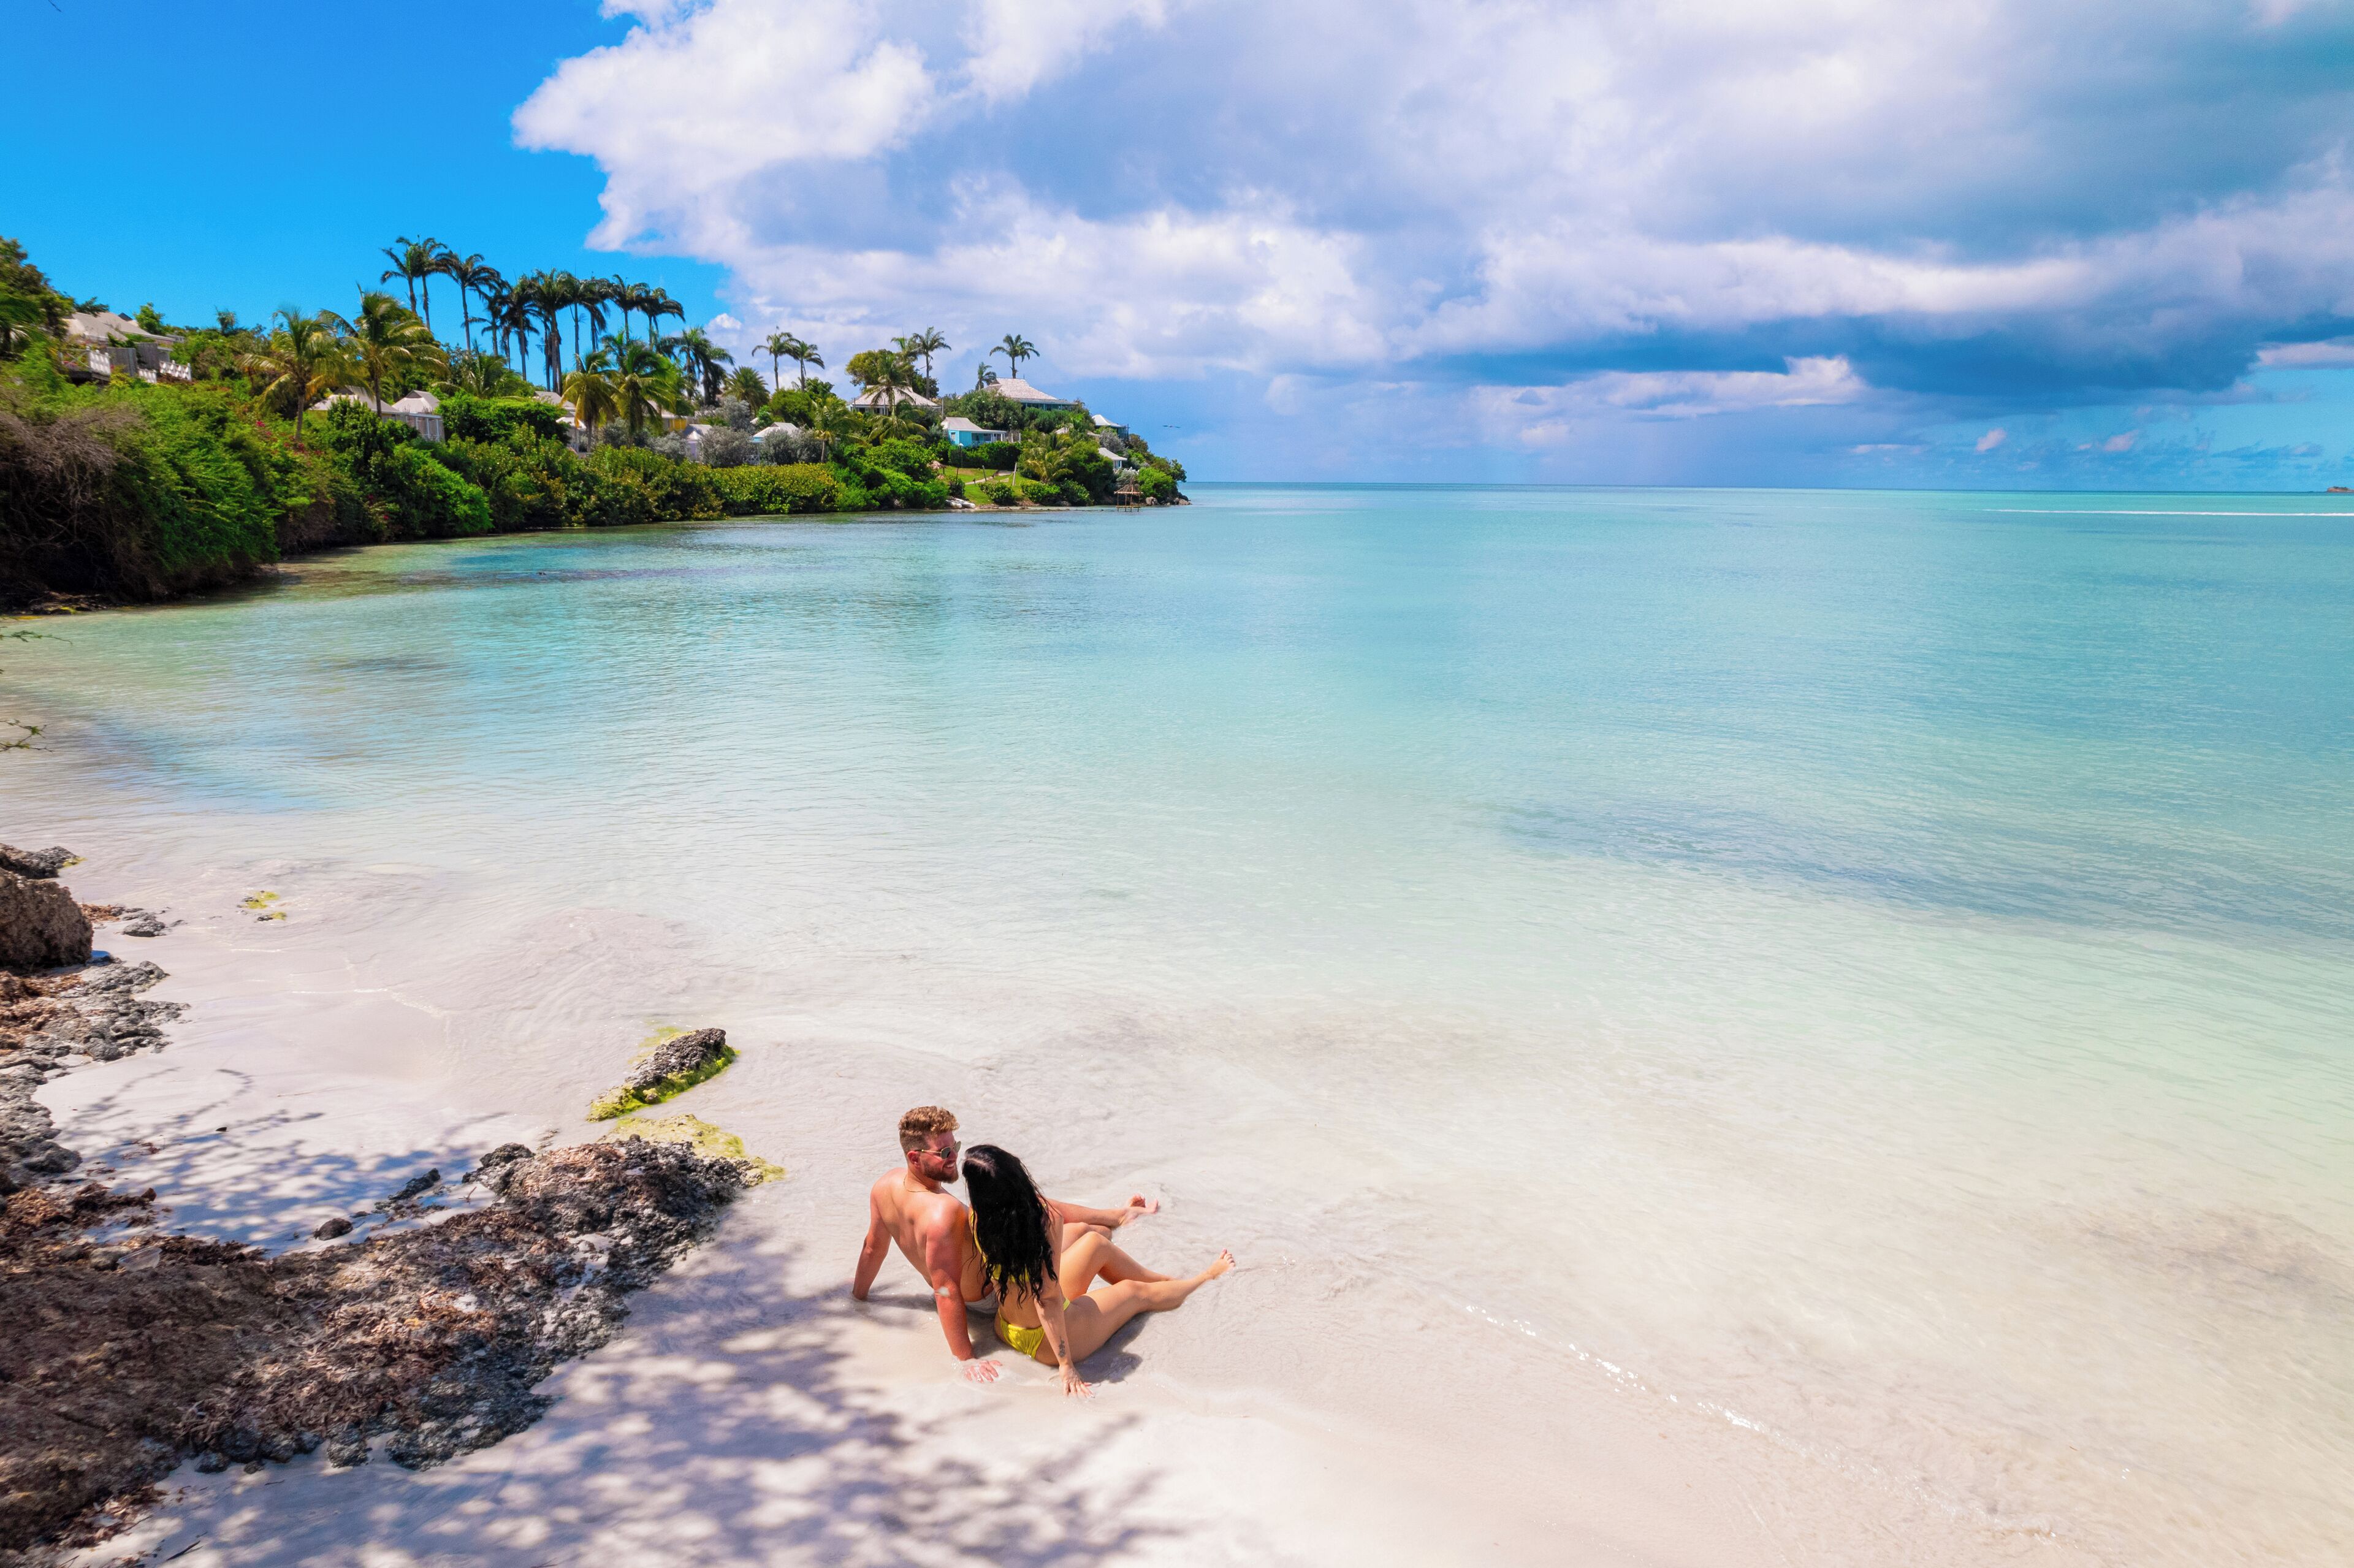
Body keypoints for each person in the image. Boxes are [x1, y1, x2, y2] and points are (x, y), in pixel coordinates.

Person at [852, 1106, 1159, 1382]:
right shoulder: (942, 1213)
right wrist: (966, 1359)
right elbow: (945, 1289)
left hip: (989, 1277)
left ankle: (1116, 1217)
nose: (954, 1158)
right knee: (1074, 1228)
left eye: (954, 1147)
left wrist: (858, 1299)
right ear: (914, 1157)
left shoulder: (885, 1185)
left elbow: (872, 1247)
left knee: (1078, 1227)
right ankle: (1121, 1223)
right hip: (993, 1297)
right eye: (944, 1153)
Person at [963, 1141, 1233, 1398]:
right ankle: (1204, 1278)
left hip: (1006, 1327)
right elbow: (1047, 1298)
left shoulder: (979, 1216)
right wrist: (1066, 1365)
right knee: (1135, 1292)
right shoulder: (1046, 1221)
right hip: (1048, 1342)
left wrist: (1115, 1215)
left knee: (1092, 1240)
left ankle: (1147, 1255)